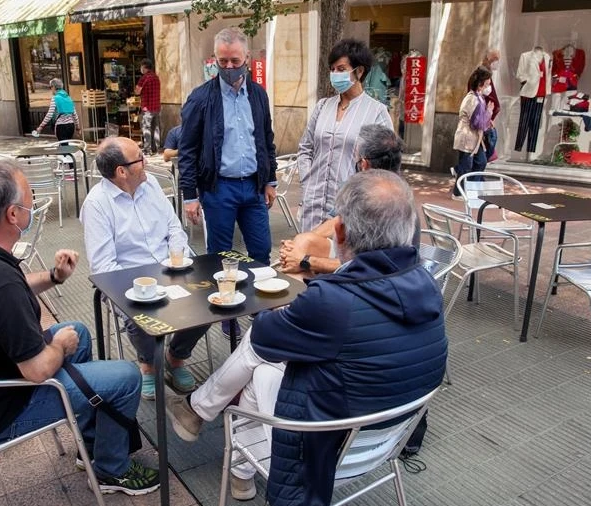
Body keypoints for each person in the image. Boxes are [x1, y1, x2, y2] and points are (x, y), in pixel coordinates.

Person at [167, 169, 447, 504]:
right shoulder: (429, 287)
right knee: (264, 371)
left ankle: (201, 414)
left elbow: (264, 337)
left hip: (325, 450)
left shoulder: (334, 301)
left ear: (340, 231)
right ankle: (228, 455)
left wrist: (307, 285)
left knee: (260, 362)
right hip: (387, 440)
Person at [0, 160, 160, 495]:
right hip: (0, 411)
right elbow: (36, 370)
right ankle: (112, 470)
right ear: (12, 215)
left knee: (76, 330)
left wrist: (54, 277)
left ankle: (91, 446)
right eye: (30, 201)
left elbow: (10, 289)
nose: (33, 207)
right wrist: (58, 346)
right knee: (126, 376)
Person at [82, 136, 210, 400]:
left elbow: (174, 227)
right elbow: (105, 267)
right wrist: (143, 288)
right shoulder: (97, 205)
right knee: (139, 316)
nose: (146, 162)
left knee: (210, 298)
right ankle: (148, 363)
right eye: (140, 158)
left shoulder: (149, 185)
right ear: (121, 171)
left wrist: (179, 257)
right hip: (131, 280)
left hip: (171, 268)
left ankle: (176, 357)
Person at [177, 26, 278, 337]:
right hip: (218, 188)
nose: (230, 67)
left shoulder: (258, 94)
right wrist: (190, 195)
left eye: (235, 61)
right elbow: (188, 150)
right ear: (215, 60)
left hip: (252, 186)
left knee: (261, 251)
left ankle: (258, 310)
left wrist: (270, 179)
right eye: (223, 61)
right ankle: (227, 313)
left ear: (246, 57)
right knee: (220, 256)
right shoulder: (201, 98)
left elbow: (266, 139)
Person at [280, 124, 418, 276]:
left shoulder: (390, 203)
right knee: (303, 242)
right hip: (356, 257)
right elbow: (337, 221)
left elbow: (368, 265)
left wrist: (305, 261)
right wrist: (295, 247)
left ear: (364, 164)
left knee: (299, 265)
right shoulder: (362, 188)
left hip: (377, 273)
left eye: (356, 158)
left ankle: (303, 296)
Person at [298, 39, 393, 231]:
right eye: (332, 69)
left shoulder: (376, 112)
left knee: (340, 259)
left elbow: (385, 168)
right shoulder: (323, 106)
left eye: (341, 69)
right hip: (313, 205)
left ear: (359, 71)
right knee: (307, 256)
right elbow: (305, 148)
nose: (335, 75)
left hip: (348, 209)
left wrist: (362, 197)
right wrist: (308, 180)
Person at [452, 66, 493, 198]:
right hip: (467, 137)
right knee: (466, 166)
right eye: (487, 83)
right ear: (481, 84)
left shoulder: (479, 97)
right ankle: (458, 192)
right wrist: (488, 113)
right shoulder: (472, 99)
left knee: (481, 161)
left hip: (475, 138)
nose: (489, 86)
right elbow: (477, 123)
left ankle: (472, 190)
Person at [469, 49, 501, 161]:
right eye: (496, 59)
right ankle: (460, 170)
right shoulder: (482, 74)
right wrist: (488, 115)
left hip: (486, 116)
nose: (497, 62)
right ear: (489, 59)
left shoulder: (487, 74)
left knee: (482, 154)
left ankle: (473, 174)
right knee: (486, 148)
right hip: (482, 117)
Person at [35, 78, 80, 143]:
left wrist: (41, 126)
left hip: (61, 126)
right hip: (71, 126)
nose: (51, 89)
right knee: (66, 146)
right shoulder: (68, 98)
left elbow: (49, 114)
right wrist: (78, 128)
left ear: (53, 87)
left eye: (50, 87)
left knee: (63, 146)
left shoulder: (55, 98)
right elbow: (74, 114)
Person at [134, 59, 161, 156]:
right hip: (156, 107)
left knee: (147, 128)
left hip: (147, 108)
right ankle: (156, 149)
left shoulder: (144, 78)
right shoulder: (156, 77)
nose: (140, 69)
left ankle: (147, 149)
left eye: (141, 67)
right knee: (156, 128)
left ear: (144, 67)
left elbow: (137, 91)